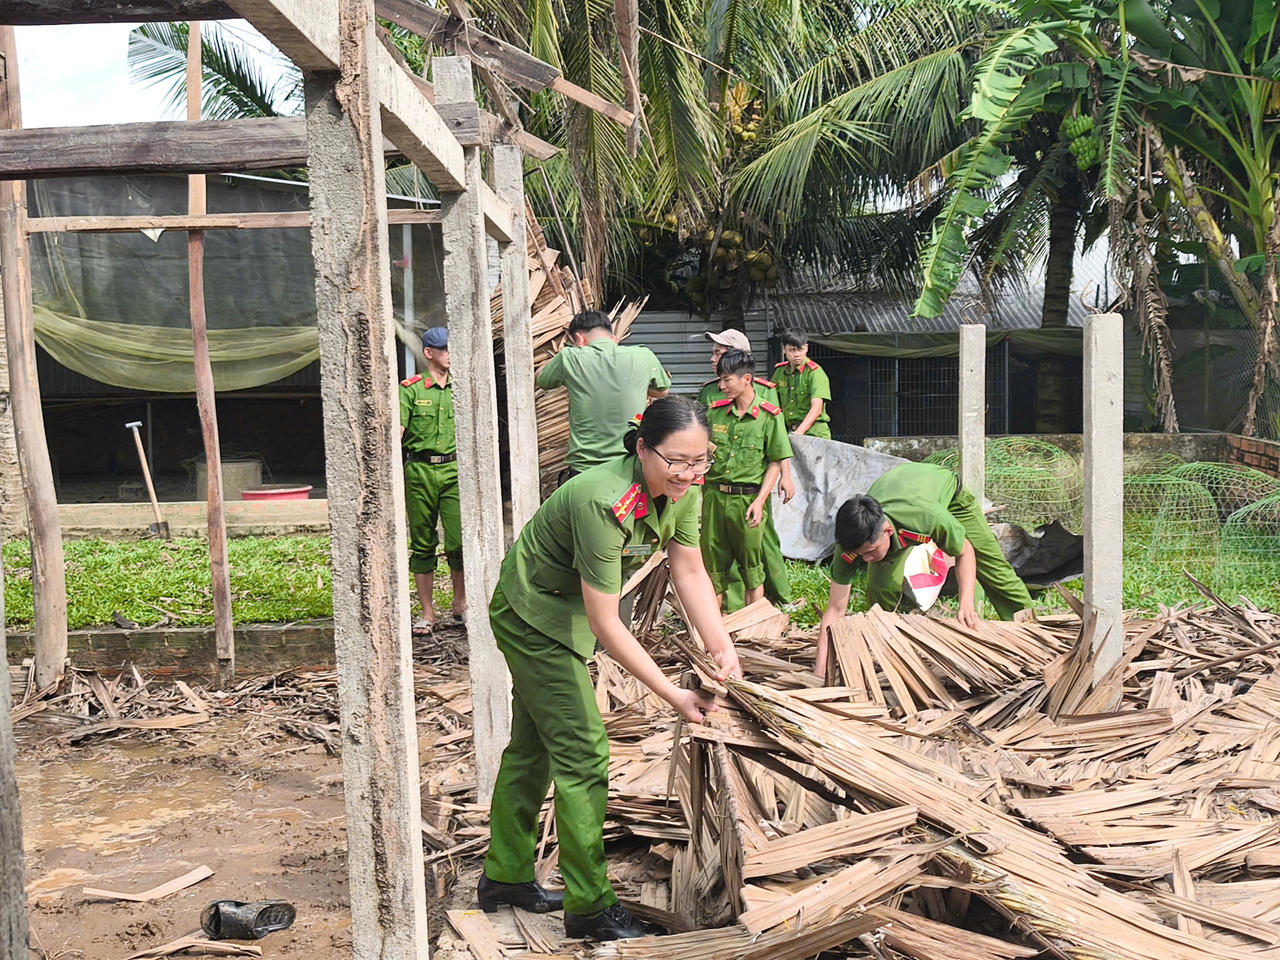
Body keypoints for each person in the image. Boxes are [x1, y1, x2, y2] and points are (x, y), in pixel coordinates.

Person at [478, 397, 743, 941]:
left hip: (567, 612)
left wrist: (722, 646)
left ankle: (504, 877)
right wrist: (675, 695)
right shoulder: (604, 501)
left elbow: (689, 570)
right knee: (583, 753)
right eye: (678, 461)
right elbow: (606, 621)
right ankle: (590, 907)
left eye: (701, 461)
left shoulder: (682, 489)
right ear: (643, 448)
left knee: (533, 748)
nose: (691, 474)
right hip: (533, 615)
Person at [813, 461, 1034, 676]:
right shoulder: (850, 544)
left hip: (947, 496)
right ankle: (892, 652)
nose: (867, 559)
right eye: (861, 555)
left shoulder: (927, 518)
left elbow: (964, 552)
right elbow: (835, 609)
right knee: (880, 589)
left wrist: (965, 605)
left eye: (871, 551)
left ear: (887, 531)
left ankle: (1031, 634)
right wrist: (820, 671)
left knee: (993, 570)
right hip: (900, 490)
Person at [698, 329, 794, 608]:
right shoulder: (714, 409)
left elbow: (777, 455)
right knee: (713, 568)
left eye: (727, 379)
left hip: (749, 497)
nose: (722, 384)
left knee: (755, 565)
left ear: (745, 378)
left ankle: (759, 622)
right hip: (715, 497)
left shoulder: (768, 410)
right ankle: (716, 632)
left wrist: (765, 496)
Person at [536, 310, 671, 481]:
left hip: (585, 470)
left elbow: (543, 380)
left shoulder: (570, 357)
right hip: (629, 466)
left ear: (579, 338)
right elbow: (662, 391)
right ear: (613, 339)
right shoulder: (644, 355)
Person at [399, 327, 464, 636]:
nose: (450, 353)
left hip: (453, 472)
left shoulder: (460, 388)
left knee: (458, 541)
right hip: (420, 471)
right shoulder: (411, 390)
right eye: (444, 348)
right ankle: (427, 613)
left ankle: (460, 605)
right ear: (429, 353)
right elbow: (397, 431)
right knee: (423, 542)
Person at [773, 328, 832, 438]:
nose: (797, 355)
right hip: (789, 432)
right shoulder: (780, 372)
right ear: (784, 349)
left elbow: (817, 408)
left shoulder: (815, 373)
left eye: (800, 350)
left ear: (806, 348)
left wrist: (799, 433)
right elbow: (771, 404)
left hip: (814, 433)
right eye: (792, 350)